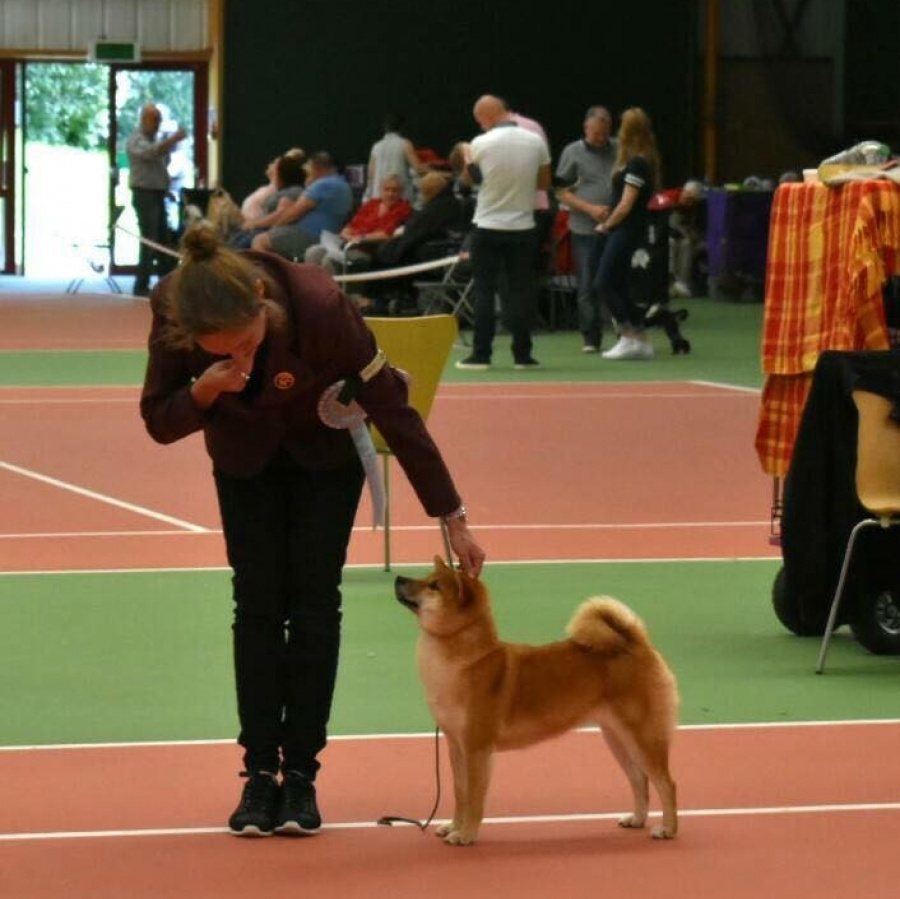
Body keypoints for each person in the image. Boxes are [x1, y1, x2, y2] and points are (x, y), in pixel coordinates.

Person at [139, 225, 485, 838]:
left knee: (316, 607)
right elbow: (159, 420)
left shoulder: (322, 307)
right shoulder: (174, 304)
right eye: (222, 353)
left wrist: (451, 516)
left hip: (323, 462)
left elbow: (394, 409)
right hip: (244, 463)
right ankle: (257, 775)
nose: (241, 361)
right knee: (256, 607)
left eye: (247, 343)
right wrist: (203, 390)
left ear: (261, 301)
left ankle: (300, 775)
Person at [456, 94, 551, 371]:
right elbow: (543, 184)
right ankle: (523, 355)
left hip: (487, 225)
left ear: (486, 116)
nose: (480, 125)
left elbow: (469, 180)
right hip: (522, 227)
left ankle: (481, 354)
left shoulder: (480, 143)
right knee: (521, 290)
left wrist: (467, 157)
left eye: (480, 120)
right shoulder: (535, 141)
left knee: (484, 291)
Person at [594, 107, 661, 360]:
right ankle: (640, 338)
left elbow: (626, 204)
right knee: (619, 284)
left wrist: (607, 225)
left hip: (626, 229)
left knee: (604, 282)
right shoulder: (638, 160)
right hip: (626, 228)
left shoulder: (637, 163)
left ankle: (628, 335)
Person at [555, 106, 617, 352]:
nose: (600, 138)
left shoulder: (619, 149)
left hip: (615, 226)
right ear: (586, 128)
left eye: (605, 133)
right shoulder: (572, 152)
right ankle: (591, 336)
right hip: (584, 229)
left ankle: (625, 331)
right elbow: (560, 192)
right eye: (596, 134)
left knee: (617, 280)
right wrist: (590, 208)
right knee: (587, 283)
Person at [125, 103, 188, 296]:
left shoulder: (155, 140)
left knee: (162, 240)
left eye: (159, 120)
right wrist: (173, 139)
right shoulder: (136, 139)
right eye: (155, 120)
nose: (158, 124)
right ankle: (141, 285)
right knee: (149, 240)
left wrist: (164, 188)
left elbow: (161, 164)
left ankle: (167, 284)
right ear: (144, 119)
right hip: (144, 194)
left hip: (157, 193)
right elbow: (150, 153)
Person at [249, 151, 353, 261]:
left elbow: (295, 212)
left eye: (309, 170)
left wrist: (274, 228)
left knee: (259, 241)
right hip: (326, 237)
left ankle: (268, 272)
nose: (307, 174)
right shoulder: (343, 185)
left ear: (317, 168)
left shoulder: (324, 184)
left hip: (310, 234)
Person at [303, 173, 413, 270]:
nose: (390, 194)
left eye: (394, 190)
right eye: (387, 189)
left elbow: (385, 234)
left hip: (368, 249)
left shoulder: (404, 209)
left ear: (401, 192)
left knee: (331, 259)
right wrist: (346, 234)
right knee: (313, 252)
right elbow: (351, 226)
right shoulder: (372, 204)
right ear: (381, 190)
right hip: (348, 243)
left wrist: (360, 238)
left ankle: (331, 287)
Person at [363, 113, 428, 204]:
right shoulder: (405, 144)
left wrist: (368, 196)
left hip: (378, 197)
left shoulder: (376, 146)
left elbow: (370, 176)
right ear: (402, 128)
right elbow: (418, 168)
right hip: (400, 197)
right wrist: (439, 172)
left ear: (385, 127)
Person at [240, 147, 307, 221]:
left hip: (255, 224)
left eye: (273, 163)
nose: (269, 165)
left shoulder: (279, 192)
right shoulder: (267, 189)